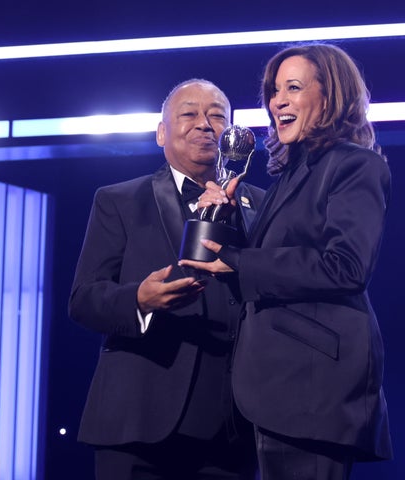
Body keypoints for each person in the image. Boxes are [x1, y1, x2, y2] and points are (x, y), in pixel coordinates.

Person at [178, 44, 393, 479]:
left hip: (313, 387)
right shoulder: (292, 174)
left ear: (329, 98)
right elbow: (271, 262)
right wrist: (228, 216)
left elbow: (345, 267)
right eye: (274, 91)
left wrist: (239, 261)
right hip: (277, 388)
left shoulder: (356, 166)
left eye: (292, 88)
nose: (277, 101)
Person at [68, 78, 264, 480]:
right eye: (189, 113)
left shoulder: (261, 205)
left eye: (216, 116)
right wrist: (139, 300)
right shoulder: (119, 200)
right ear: (161, 132)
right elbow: (84, 299)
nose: (205, 124)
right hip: (139, 422)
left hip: (234, 427)